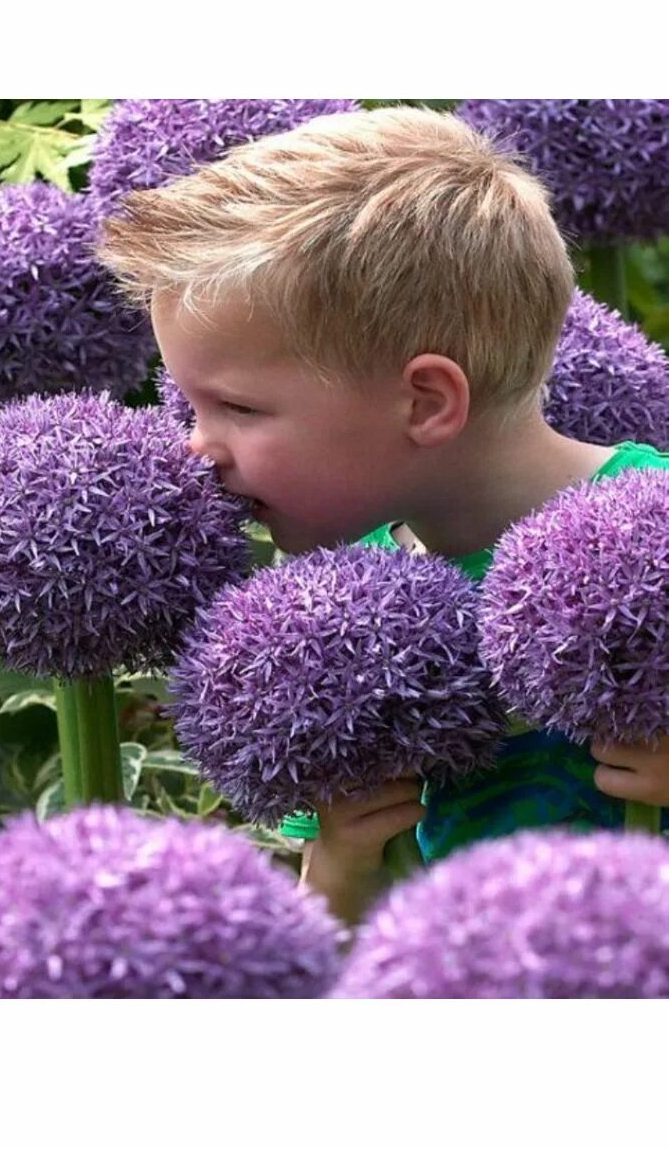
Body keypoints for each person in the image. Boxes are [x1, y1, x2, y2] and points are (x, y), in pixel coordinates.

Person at [95, 106, 669, 925]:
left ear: (426, 401)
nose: (197, 449)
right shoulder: (333, 619)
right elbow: (333, 931)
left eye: (235, 408)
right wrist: (342, 857)